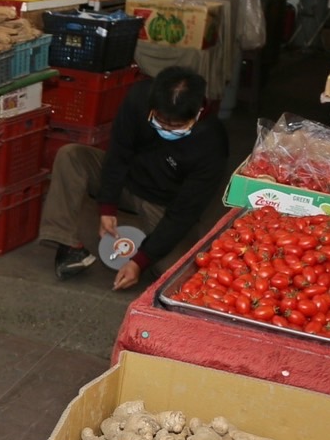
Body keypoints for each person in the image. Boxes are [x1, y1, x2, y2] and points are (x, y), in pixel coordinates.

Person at [41, 66, 228, 291]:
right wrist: (107, 206)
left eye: (176, 126)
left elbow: (184, 212)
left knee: (179, 278)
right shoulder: (139, 98)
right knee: (71, 156)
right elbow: (118, 152)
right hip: (127, 181)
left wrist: (140, 262)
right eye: (159, 121)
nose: (166, 129)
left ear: (197, 113)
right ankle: (69, 244)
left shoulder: (212, 143)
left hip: (163, 203)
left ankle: (142, 241)